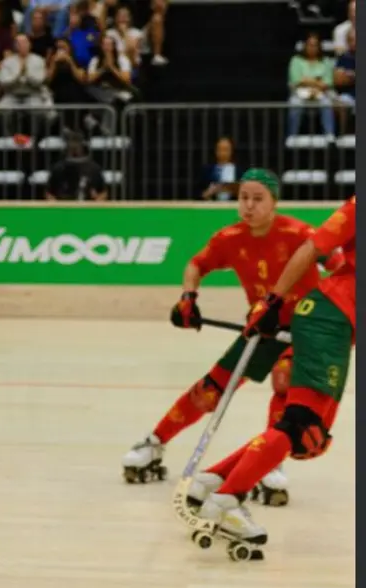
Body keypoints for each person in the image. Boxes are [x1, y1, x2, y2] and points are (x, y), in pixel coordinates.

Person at [121, 170, 320, 506]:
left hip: (303, 330)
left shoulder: (299, 233)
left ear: (274, 202)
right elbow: (195, 265)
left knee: (284, 383)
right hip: (261, 328)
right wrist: (188, 297)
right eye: (244, 198)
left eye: (258, 199)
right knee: (210, 390)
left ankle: (270, 461)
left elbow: (339, 264)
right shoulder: (230, 238)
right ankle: (154, 442)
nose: (249, 206)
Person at [188, 195, 355, 551]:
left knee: (309, 438)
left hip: (341, 326)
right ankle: (226, 502)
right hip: (329, 318)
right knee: (301, 427)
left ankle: (211, 479)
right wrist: (273, 300)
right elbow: (312, 248)